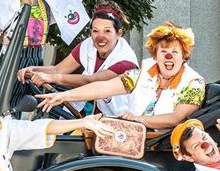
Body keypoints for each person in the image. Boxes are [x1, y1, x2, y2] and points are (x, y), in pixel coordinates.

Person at [36, 22, 204, 129]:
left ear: (184, 56)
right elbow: (104, 87)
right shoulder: (142, 73)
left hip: (163, 145)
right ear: (155, 54)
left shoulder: (193, 82)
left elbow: (176, 118)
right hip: (131, 135)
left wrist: (138, 120)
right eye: (163, 51)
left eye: (175, 52)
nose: (168, 56)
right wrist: (64, 96)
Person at [16, 0, 139, 117]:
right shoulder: (88, 45)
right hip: (90, 114)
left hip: (118, 119)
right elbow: (59, 69)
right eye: (95, 31)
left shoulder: (126, 62)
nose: (100, 37)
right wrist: (33, 69)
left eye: (107, 31)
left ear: (119, 33)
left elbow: (91, 81)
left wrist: (51, 78)